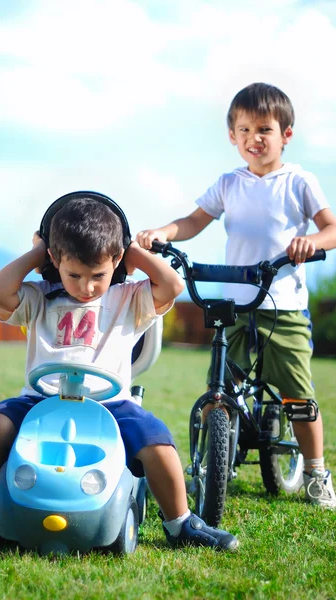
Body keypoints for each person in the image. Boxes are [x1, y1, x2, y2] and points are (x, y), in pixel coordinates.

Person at [0, 197, 238, 550]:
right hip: (40, 401)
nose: (87, 286)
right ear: (55, 262)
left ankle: (180, 522)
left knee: (158, 443)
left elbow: (172, 286)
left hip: (110, 404)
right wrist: (39, 251)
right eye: (74, 275)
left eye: (98, 276)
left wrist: (130, 252)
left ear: (116, 264)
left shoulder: (128, 299)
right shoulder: (39, 297)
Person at [137, 82, 336, 509]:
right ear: (232, 136)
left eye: (264, 129)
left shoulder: (298, 181)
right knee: (219, 392)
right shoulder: (230, 183)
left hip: (282, 306)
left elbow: (331, 228)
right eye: (244, 130)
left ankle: (317, 472)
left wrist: (311, 242)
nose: (254, 139)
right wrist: (163, 234)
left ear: (286, 134)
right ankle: (209, 465)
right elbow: (192, 221)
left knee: (299, 396)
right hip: (234, 306)